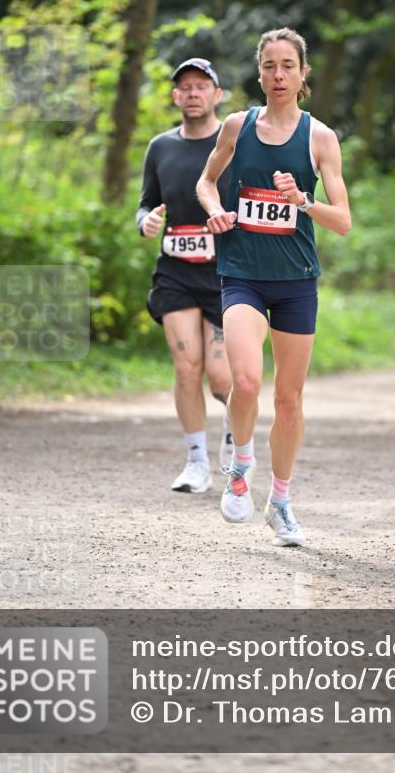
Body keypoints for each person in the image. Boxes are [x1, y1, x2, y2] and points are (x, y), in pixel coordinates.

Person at [196, 27, 351, 547]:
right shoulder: (237, 127)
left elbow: (344, 221)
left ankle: (280, 502)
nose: (278, 75)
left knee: (288, 399)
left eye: (288, 65)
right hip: (242, 274)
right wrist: (217, 212)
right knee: (244, 380)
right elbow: (206, 180)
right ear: (258, 72)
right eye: (269, 66)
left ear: (303, 74)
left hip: (296, 282)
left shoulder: (320, 138)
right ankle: (241, 465)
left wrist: (302, 202)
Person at [136, 57, 234, 492]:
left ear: (216, 94)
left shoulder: (232, 143)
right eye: (185, 88)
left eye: (201, 86)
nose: (193, 93)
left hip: (224, 272)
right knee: (185, 366)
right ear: (176, 97)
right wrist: (145, 223)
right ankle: (197, 462)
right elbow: (145, 202)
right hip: (175, 270)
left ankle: (236, 444)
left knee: (222, 375)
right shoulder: (160, 147)